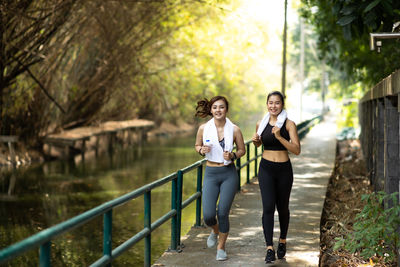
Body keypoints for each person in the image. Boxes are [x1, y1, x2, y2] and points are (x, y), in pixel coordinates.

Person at [194, 95, 246, 261]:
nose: (218, 110)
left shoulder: (235, 129)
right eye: (215, 107)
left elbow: (242, 150)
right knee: (208, 215)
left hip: (228, 173)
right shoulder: (203, 128)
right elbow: (197, 146)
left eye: (221, 107)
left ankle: (221, 248)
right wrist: (201, 150)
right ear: (211, 110)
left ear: (226, 109)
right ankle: (215, 231)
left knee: (222, 212)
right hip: (210, 173)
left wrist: (232, 155)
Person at [252, 91, 301, 263]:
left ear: (282, 105)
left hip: (283, 170)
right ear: (267, 104)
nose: (273, 106)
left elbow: (296, 150)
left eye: (277, 103)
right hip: (266, 168)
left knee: (283, 207)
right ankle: (269, 248)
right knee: (267, 207)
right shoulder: (261, 123)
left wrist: (279, 137)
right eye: (270, 103)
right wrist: (256, 141)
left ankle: (282, 240)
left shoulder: (289, 125)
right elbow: (260, 143)